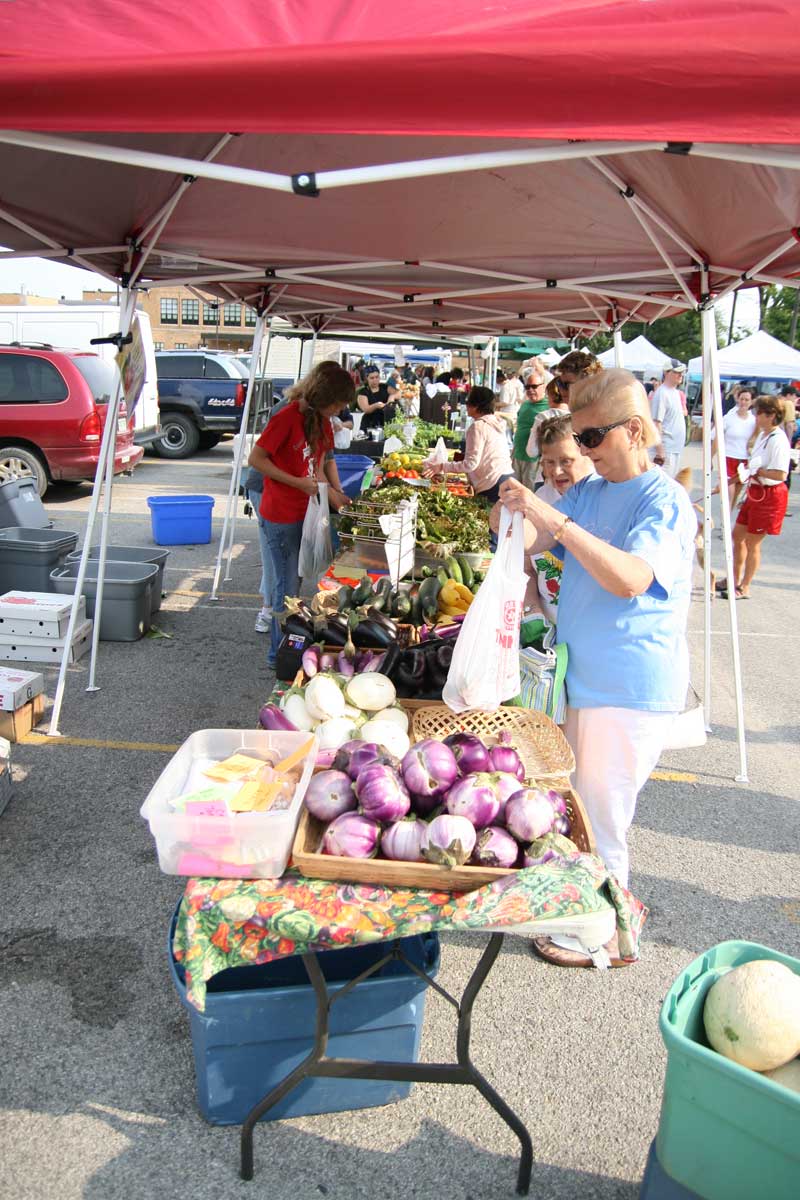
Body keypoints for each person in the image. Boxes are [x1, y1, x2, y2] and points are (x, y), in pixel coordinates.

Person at [498, 368, 696, 965]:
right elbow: (535, 539)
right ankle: (600, 913)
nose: (581, 454)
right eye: (578, 440)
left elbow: (631, 577)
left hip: (628, 686)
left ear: (633, 430)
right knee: (580, 804)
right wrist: (512, 506)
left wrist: (553, 519)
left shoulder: (665, 501)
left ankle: (611, 935)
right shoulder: (593, 490)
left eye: (591, 439)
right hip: (581, 676)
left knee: (603, 814)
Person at [248, 362, 355, 668]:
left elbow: (320, 466)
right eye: (338, 402)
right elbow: (256, 459)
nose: (340, 409)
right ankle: (277, 658)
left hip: (305, 512)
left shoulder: (321, 420)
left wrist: (336, 493)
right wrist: (298, 483)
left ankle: (287, 650)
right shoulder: (286, 416)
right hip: (280, 515)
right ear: (324, 395)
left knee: (297, 582)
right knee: (286, 589)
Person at [717, 395, 791, 599]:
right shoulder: (762, 435)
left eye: (759, 413)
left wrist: (759, 473)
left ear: (771, 415)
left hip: (770, 495)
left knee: (753, 542)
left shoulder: (779, 440)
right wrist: (728, 482)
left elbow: (780, 474)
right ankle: (732, 578)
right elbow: (750, 466)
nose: (755, 416)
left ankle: (745, 586)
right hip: (756, 491)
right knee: (737, 536)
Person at [526, 414, 593, 623]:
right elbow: (526, 567)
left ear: (587, 454)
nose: (556, 471)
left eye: (566, 461)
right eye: (548, 462)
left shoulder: (603, 501)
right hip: (547, 630)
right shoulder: (540, 499)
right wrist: (532, 612)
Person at [423, 383, 512, 507]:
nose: (466, 405)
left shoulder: (478, 426)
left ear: (476, 406)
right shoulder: (496, 422)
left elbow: (471, 464)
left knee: (491, 523)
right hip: (506, 478)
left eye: (468, 401)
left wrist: (442, 467)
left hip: (491, 483)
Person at [712, 386, 755, 511]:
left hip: (744, 460)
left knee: (736, 492)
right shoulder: (729, 418)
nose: (744, 402)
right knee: (728, 492)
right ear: (738, 399)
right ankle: (725, 521)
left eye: (747, 400)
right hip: (728, 458)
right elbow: (717, 438)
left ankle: (727, 518)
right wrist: (710, 457)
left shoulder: (753, 421)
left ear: (751, 402)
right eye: (742, 399)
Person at [512, 361, 549, 488]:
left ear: (543, 387)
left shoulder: (549, 406)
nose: (530, 390)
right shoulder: (525, 403)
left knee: (528, 493)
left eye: (534, 386)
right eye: (527, 387)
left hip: (533, 459)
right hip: (518, 454)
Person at [649, 360, 687, 475]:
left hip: (674, 448)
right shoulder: (662, 393)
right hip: (666, 449)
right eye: (677, 372)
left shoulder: (675, 393)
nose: (681, 375)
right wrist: (660, 450)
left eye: (681, 372)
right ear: (666, 373)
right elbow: (656, 423)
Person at [357, 367, 397, 437]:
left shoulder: (385, 387)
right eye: (372, 378)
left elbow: (398, 393)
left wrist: (392, 397)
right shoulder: (363, 392)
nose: (375, 380)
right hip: (369, 424)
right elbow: (366, 409)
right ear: (367, 379)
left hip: (385, 422)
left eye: (377, 377)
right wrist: (376, 405)